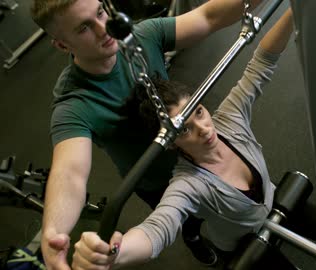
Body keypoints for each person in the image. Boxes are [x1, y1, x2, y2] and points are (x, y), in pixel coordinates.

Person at [71, 9, 316, 270]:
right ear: (170, 143)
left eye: (198, 112)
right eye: (184, 129)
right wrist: (114, 252)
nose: (204, 128)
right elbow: (158, 229)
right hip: (241, 240)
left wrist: (297, 8)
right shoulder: (187, 184)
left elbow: (261, 61)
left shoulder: (229, 118)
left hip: (273, 201)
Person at [30, 0, 262, 269]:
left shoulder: (143, 35)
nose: (104, 29)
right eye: (84, 28)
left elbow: (209, 17)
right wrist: (53, 233)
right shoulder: (73, 104)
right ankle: (193, 237)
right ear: (62, 45)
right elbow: (69, 173)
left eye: (101, 13)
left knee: (233, 204)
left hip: (199, 152)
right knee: (185, 223)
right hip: (158, 182)